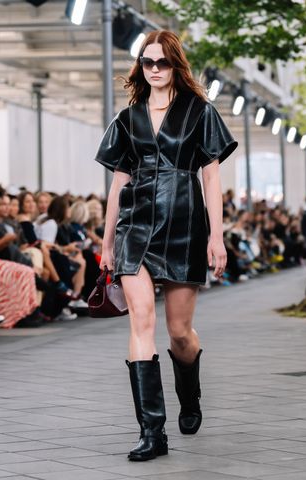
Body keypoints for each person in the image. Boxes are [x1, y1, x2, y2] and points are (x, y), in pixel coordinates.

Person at [95, 30, 238, 462]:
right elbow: (118, 184)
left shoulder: (199, 112)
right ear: (141, 66)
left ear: (176, 64)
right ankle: (152, 433)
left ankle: (189, 394)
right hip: (135, 226)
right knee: (141, 321)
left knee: (179, 333)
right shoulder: (127, 118)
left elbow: (211, 177)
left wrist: (217, 235)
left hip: (184, 223)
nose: (154, 69)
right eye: (147, 62)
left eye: (162, 62)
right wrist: (106, 243)